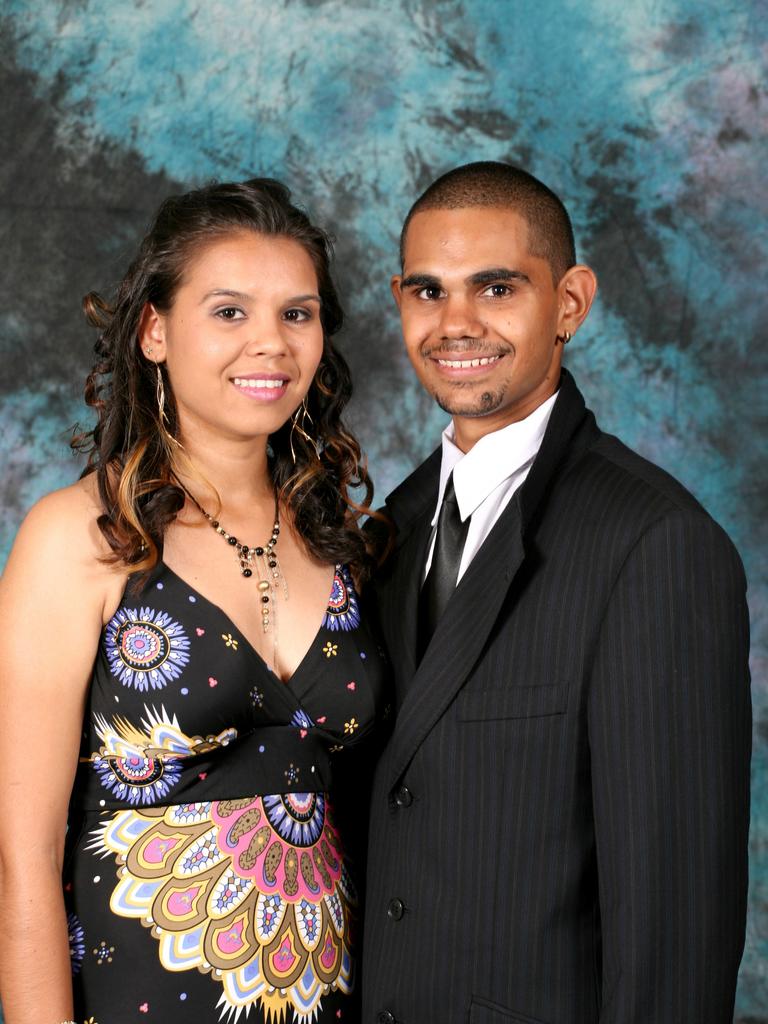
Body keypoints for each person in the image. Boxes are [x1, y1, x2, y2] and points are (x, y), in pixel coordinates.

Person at [362, 162, 751, 1024]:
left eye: (496, 287)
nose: (455, 324)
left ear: (570, 302)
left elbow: (674, 948)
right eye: (428, 292)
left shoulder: (657, 547)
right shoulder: (388, 529)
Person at [0, 178, 387, 1023]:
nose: (271, 345)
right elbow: (18, 856)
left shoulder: (346, 540)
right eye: (228, 312)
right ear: (154, 331)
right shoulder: (80, 535)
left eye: (297, 313)